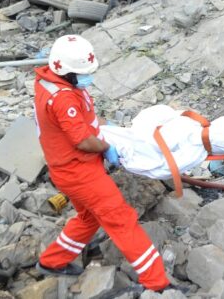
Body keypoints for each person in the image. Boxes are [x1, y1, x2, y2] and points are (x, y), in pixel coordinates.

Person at [33, 35, 170, 291]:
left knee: (88, 218)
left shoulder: (50, 82)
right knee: (121, 219)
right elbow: (83, 140)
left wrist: (102, 129)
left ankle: (52, 261)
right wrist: (107, 147)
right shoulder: (62, 98)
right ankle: (157, 283)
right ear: (66, 71)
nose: (87, 79)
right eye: (82, 75)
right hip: (79, 170)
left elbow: (76, 125)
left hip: (67, 169)